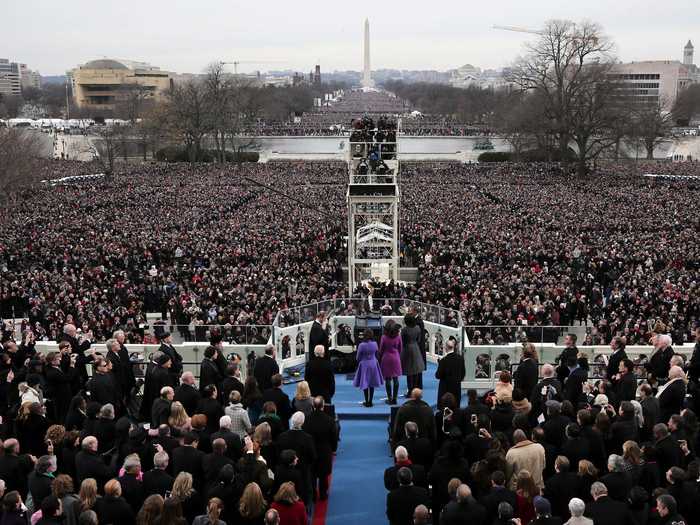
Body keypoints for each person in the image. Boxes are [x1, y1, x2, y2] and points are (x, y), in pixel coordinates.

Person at [302, 397, 338, 501]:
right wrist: (333, 448)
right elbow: (333, 437)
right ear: (323, 406)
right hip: (325, 451)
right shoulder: (329, 420)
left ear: (313, 406)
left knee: (312, 474)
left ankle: (313, 494)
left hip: (310, 450)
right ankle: (323, 493)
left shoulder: (307, 420)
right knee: (323, 474)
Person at [353, 329, 384, 407]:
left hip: (364, 365)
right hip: (373, 364)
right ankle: (370, 401)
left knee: (365, 383)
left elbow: (357, 357)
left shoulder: (361, 345)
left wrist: (362, 360)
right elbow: (377, 354)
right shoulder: (375, 344)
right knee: (372, 383)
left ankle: (366, 401)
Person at [435, 339, 465, 407]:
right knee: (456, 408)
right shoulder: (460, 358)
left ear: (446, 347)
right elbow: (463, 373)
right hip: (456, 387)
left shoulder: (443, 361)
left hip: (445, 389)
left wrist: (439, 366)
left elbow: (438, 375)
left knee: (444, 408)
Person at [401, 314, 425, 397]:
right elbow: (419, 339)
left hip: (407, 349)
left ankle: (410, 392)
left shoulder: (404, 330)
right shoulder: (418, 328)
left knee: (409, 372)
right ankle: (415, 391)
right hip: (416, 348)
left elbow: (402, 341)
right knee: (415, 371)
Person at [379, 320, 402, 405]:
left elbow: (381, 349)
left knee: (388, 379)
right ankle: (395, 399)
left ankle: (390, 398)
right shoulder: (398, 337)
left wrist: (380, 357)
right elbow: (400, 348)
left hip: (386, 358)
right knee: (396, 379)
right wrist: (397, 355)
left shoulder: (384, 337)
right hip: (396, 358)